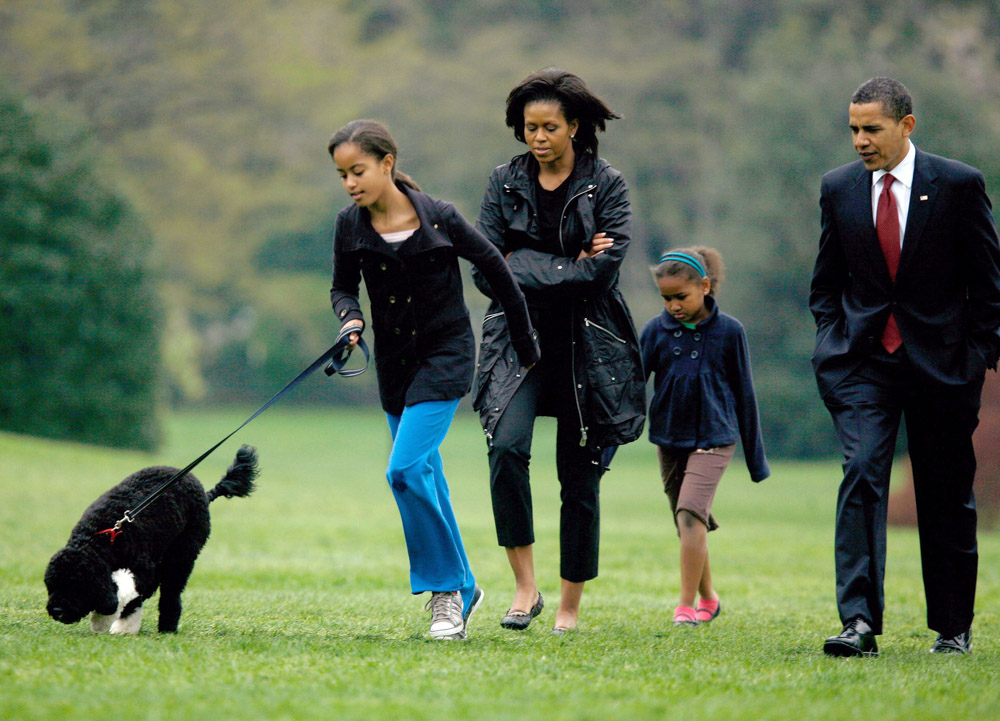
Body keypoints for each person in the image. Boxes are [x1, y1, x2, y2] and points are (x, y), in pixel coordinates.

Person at [328, 119, 540, 640]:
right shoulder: (349, 226)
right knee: (426, 477)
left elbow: (499, 273)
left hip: (444, 359)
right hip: (395, 368)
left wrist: (526, 346)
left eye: (358, 170)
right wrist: (350, 320)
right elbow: (342, 288)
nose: (351, 182)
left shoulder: (441, 218)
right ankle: (465, 586)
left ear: (387, 164)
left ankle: (446, 592)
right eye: (342, 174)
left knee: (402, 470)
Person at [811, 77, 1000, 656]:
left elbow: (989, 288)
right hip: (864, 363)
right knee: (862, 474)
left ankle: (952, 629)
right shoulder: (838, 188)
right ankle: (859, 624)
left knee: (944, 493)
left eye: (872, 129)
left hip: (942, 368)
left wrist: (974, 359)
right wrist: (831, 344)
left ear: (906, 126)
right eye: (853, 130)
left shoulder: (959, 185)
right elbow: (826, 284)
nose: (860, 141)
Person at [472, 68, 646, 634]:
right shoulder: (503, 182)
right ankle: (526, 587)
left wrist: (523, 263)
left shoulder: (608, 184)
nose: (538, 137)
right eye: (529, 128)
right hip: (517, 346)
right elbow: (486, 271)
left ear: (574, 126)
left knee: (580, 478)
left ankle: (569, 607)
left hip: (587, 348)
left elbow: (601, 274)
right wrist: (566, 266)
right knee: (506, 451)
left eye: (549, 126)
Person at [640, 247, 769, 627]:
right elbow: (632, 389)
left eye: (681, 297)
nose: (673, 306)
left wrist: (756, 460)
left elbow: (745, 394)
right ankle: (709, 597)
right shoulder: (654, 331)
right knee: (686, 523)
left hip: (715, 436)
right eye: (666, 298)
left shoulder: (730, 332)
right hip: (669, 437)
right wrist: (611, 444)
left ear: (705, 286)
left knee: (689, 514)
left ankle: (685, 606)